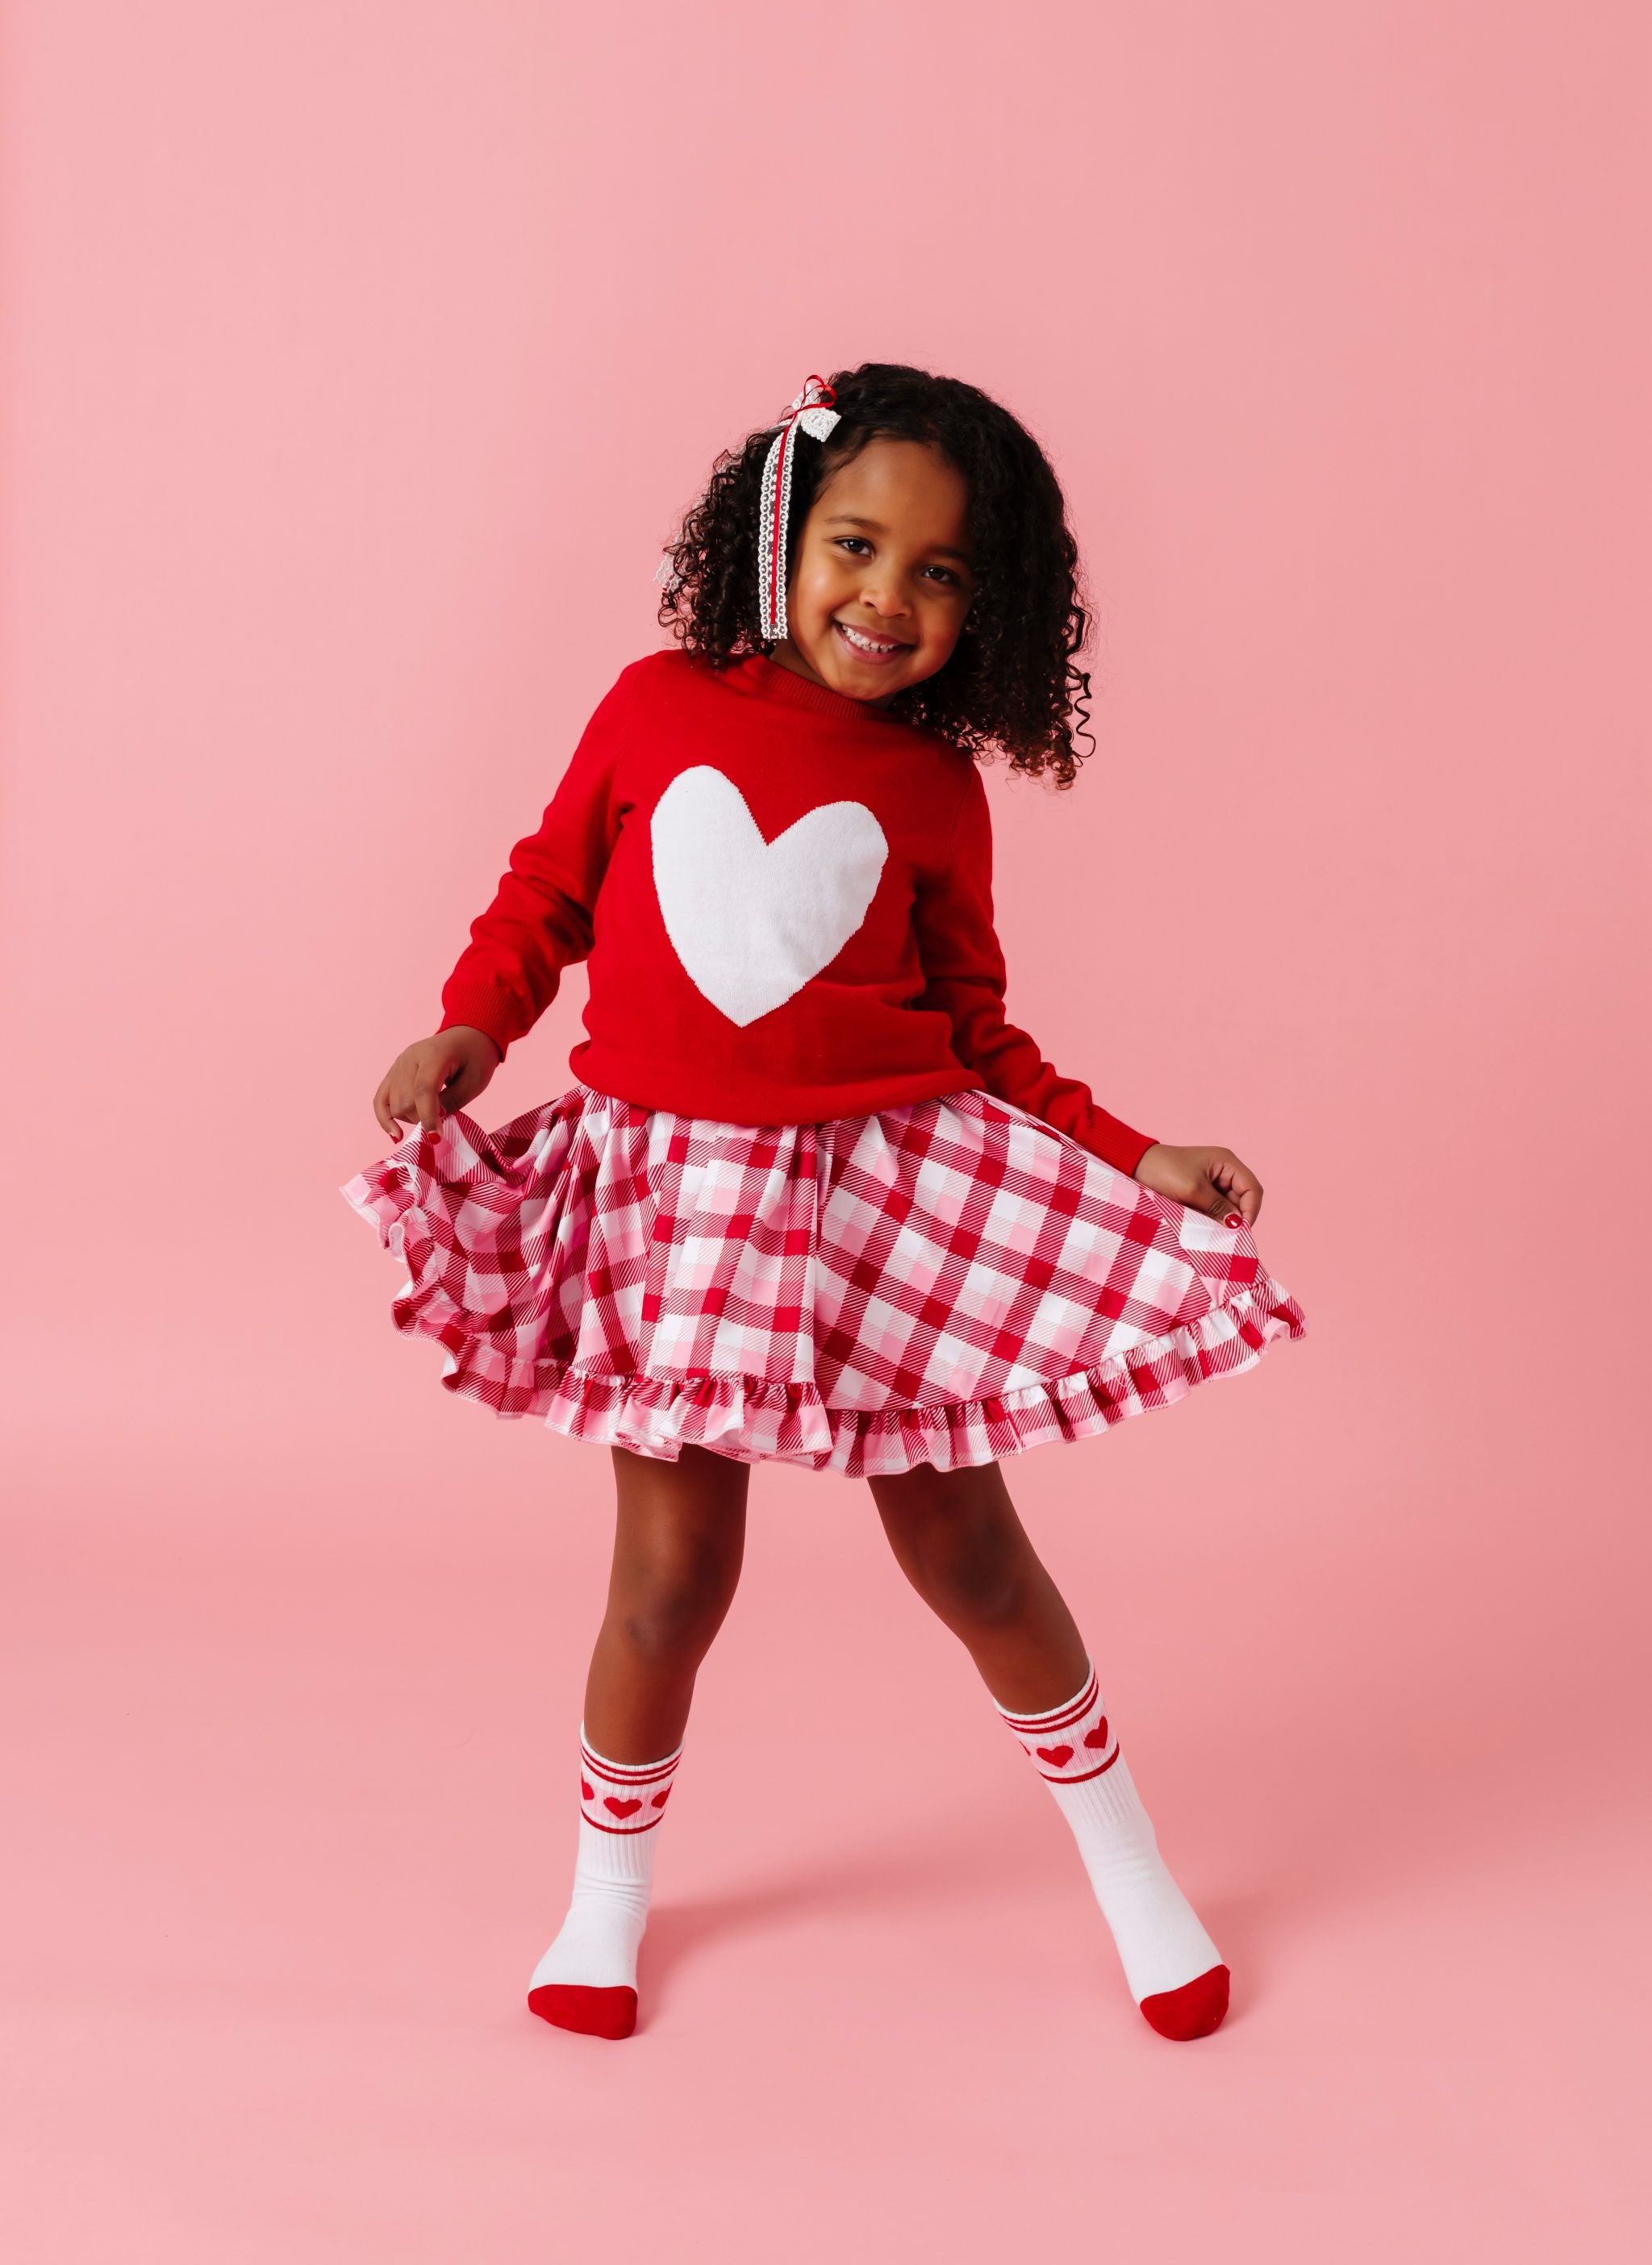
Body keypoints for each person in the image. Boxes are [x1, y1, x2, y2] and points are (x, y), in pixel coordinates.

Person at [342, 363, 1308, 2046]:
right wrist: (470, 1022)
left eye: (941, 574)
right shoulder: (652, 708)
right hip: (676, 1196)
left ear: (985, 606)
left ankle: (1136, 1877)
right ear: (779, 533)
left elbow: (981, 1031)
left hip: (887, 1201)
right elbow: (546, 890)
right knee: (668, 1576)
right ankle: (602, 1907)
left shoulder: (938, 789)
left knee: (972, 1554)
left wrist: (1130, 1151)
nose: (889, 597)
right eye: (858, 545)